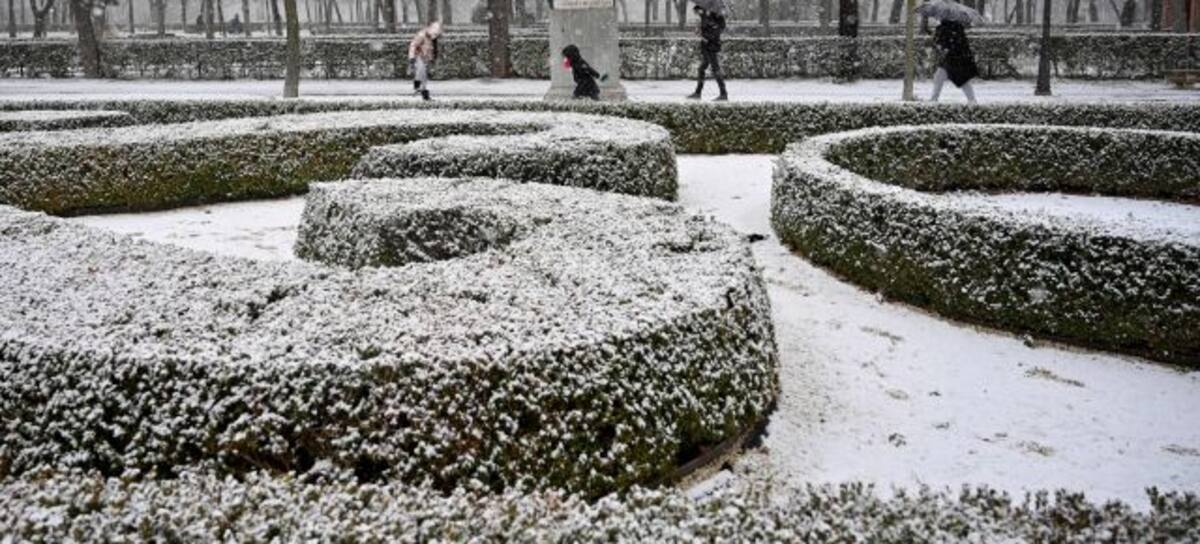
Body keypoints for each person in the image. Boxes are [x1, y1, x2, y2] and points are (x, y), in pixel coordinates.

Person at [927, 19, 979, 104]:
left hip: (955, 59)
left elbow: (948, 43)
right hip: (955, 59)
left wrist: (941, 44)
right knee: (940, 76)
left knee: (961, 80)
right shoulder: (954, 27)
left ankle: (972, 100)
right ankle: (934, 99)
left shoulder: (949, 28)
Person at [687, 5, 727, 101]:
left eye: (696, 12)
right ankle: (698, 92)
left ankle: (723, 93)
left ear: (700, 10)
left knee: (715, 69)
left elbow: (717, 30)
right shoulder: (705, 16)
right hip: (707, 46)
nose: (696, 14)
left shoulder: (713, 15)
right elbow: (708, 30)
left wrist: (707, 37)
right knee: (702, 69)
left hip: (711, 46)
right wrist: (700, 33)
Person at [408, 21, 443, 101]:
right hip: (419, 56)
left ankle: (418, 87)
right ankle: (423, 92)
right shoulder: (422, 35)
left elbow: (433, 49)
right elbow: (413, 45)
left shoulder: (432, 38)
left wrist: (433, 58)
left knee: (423, 75)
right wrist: (412, 57)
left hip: (426, 58)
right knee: (422, 73)